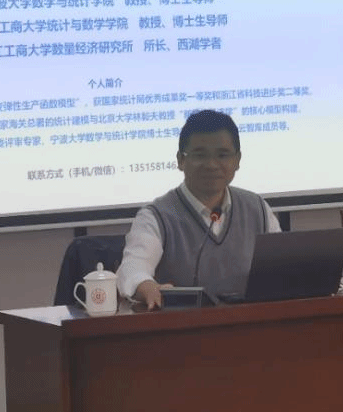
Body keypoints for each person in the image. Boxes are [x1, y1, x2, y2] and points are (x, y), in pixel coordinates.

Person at [117, 109, 281, 309]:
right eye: (200, 155)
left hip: (252, 323)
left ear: (237, 160)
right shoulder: (156, 216)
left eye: (222, 155)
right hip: (182, 326)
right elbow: (132, 268)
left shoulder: (258, 209)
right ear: (180, 160)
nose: (211, 165)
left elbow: (282, 268)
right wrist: (147, 286)